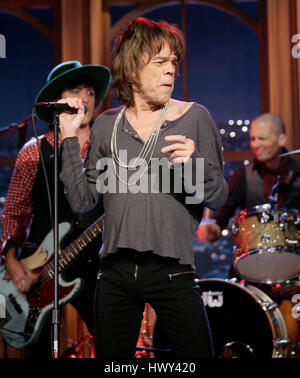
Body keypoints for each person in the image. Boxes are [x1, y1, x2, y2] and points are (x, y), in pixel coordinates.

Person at [58, 17, 228, 359]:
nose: (170, 71)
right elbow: (82, 200)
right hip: (115, 273)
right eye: (160, 62)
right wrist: (68, 140)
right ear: (133, 66)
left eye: (174, 63)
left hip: (172, 271)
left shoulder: (195, 118)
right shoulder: (107, 125)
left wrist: (193, 164)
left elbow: (218, 195)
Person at [0, 60, 111, 358]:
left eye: (89, 91)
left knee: (112, 341)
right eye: (75, 89)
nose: (85, 96)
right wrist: (12, 261)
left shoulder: (107, 148)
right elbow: (14, 211)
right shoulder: (32, 151)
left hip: (94, 266)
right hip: (38, 267)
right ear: (56, 101)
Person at [198, 113, 300, 355]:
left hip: (294, 278)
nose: (256, 144)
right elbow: (218, 222)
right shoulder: (242, 175)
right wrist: (209, 229)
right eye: (253, 138)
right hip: (250, 280)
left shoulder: (298, 175)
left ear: (281, 138)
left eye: (262, 138)